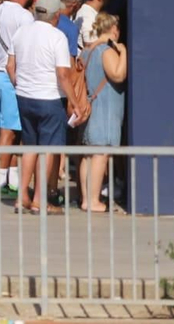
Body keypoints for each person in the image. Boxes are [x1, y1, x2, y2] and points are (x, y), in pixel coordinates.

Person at [11, 0, 79, 215]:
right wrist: (75, 100)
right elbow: (63, 74)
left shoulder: (21, 32)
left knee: (29, 146)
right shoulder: (57, 37)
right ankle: (40, 199)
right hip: (49, 98)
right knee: (48, 149)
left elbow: (10, 66)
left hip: (24, 95)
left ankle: (22, 197)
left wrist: (19, 84)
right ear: (56, 15)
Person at [0, 0, 35, 199]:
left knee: (2, 131)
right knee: (9, 132)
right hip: (10, 78)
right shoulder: (25, 17)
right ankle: (0, 182)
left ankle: (8, 181)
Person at [78, 13, 127, 212]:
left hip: (89, 107)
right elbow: (118, 74)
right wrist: (123, 52)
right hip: (103, 109)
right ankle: (93, 200)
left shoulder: (87, 51)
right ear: (113, 29)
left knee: (88, 154)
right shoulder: (106, 51)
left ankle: (85, 198)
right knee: (100, 153)